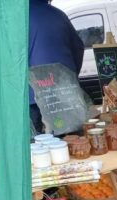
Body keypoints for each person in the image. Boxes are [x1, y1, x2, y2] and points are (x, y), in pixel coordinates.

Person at [29, 0, 84, 134]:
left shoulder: (15, 18)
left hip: (32, 95)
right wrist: (70, 78)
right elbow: (78, 48)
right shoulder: (59, 15)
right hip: (64, 90)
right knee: (71, 141)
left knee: (38, 146)